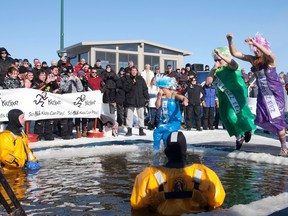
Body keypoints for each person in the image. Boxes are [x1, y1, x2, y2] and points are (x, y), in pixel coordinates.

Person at [130, 131, 226, 215]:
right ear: (185, 151)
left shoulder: (148, 176)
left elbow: (137, 207)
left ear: (166, 152)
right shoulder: (206, 174)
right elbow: (217, 204)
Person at [227, 33, 288, 156]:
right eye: (255, 49)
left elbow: (269, 54)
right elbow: (236, 54)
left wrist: (254, 42)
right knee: (263, 118)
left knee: (277, 118)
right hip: (263, 95)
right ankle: (282, 142)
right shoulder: (253, 60)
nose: (256, 51)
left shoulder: (270, 59)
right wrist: (230, 40)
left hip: (274, 94)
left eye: (259, 49)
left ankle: (284, 147)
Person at [206, 46, 256, 150]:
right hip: (223, 96)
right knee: (226, 118)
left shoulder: (231, 67)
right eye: (215, 60)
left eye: (219, 60)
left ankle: (247, 128)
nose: (217, 61)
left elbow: (234, 64)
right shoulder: (216, 70)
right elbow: (208, 82)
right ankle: (239, 136)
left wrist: (221, 56)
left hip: (235, 94)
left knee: (233, 114)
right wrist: (213, 68)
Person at [153, 75, 188, 151]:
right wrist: (159, 97)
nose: (160, 90)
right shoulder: (161, 96)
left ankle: (169, 152)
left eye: (162, 88)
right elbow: (157, 106)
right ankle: (156, 152)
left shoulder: (173, 94)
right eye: (159, 88)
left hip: (174, 122)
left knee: (166, 135)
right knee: (156, 133)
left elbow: (182, 97)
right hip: (164, 121)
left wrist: (185, 100)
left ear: (167, 87)